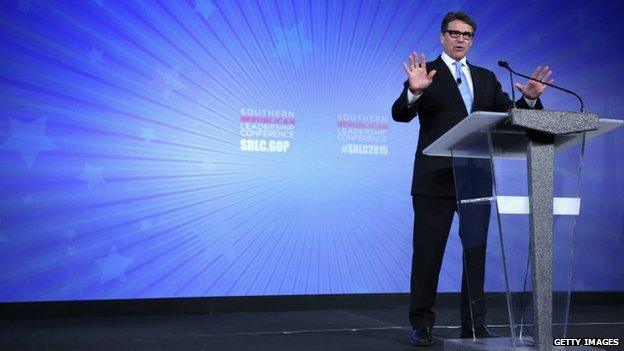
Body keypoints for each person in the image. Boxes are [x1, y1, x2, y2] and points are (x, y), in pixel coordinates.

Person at [391, 11, 553, 347]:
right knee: (428, 255)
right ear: (442, 36)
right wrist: (413, 91)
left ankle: (474, 326)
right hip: (434, 178)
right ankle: (422, 323)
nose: (460, 39)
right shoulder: (427, 74)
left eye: (467, 34)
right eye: (454, 33)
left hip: (475, 177)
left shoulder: (485, 76)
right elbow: (401, 113)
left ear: (472, 39)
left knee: (475, 254)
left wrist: (531, 99)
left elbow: (512, 118)